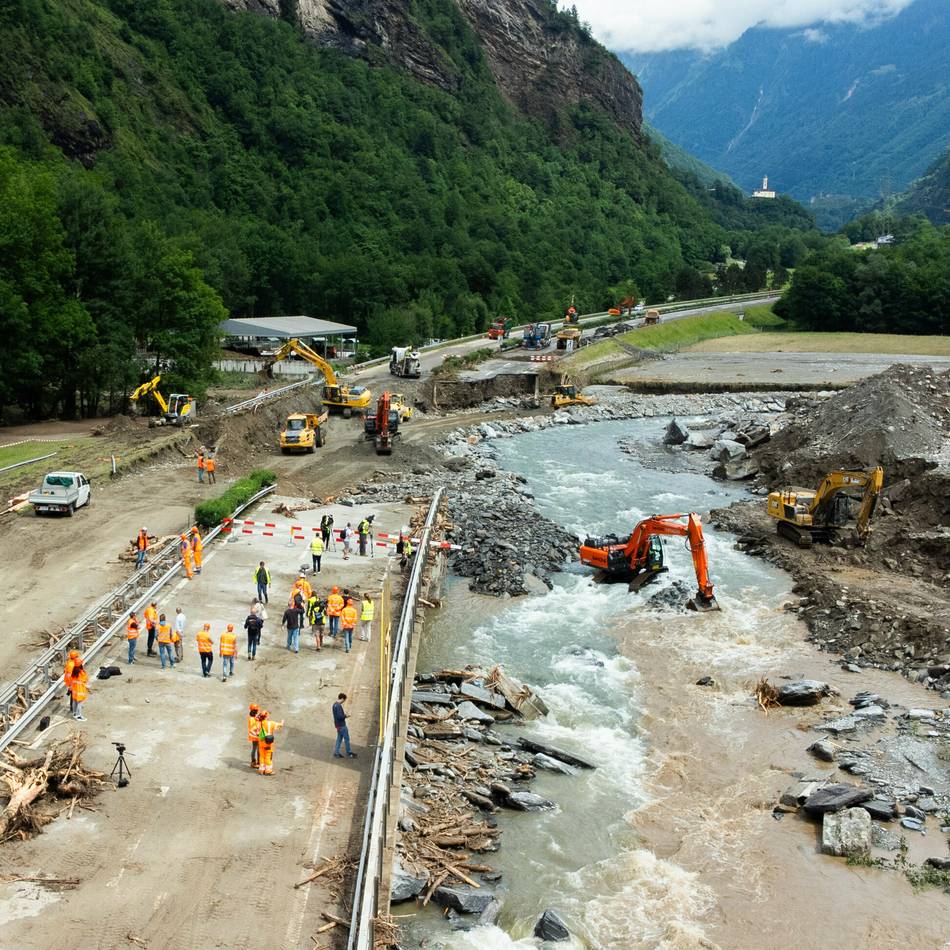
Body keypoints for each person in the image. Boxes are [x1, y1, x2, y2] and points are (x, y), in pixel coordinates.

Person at [257, 710, 284, 776]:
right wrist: (282, 722)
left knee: (262, 756)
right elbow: (280, 725)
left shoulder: (259, 723)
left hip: (261, 742)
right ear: (266, 716)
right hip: (268, 742)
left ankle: (261, 769)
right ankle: (268, 770)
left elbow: (257, 731)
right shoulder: (271, 723)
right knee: (268, 756)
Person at [332, 693, 356, 758]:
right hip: (342, 725)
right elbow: (340, 716)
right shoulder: (339, 706)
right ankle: (349, 752)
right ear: (342, 698)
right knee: (347, 739)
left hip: (337, 725)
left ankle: (336, 753)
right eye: (344, 700)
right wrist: (346, 716)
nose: (344, 701)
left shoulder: (334, 705)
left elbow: (337, 716)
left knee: (339, 739)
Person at [64, 650, 80, 715]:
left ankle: (73, 707)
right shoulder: (72, 665)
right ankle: (73, 708)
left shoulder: (70, 662)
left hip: (70, 682)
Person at [247, 703, 261, 769]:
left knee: (254, 749)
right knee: (257, 749)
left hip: (252, 736)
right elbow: (254, 728)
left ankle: (253, 762)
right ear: (256, 711)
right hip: (256, 735)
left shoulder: (251, 718)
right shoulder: (253, 719)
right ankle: (258, 762)